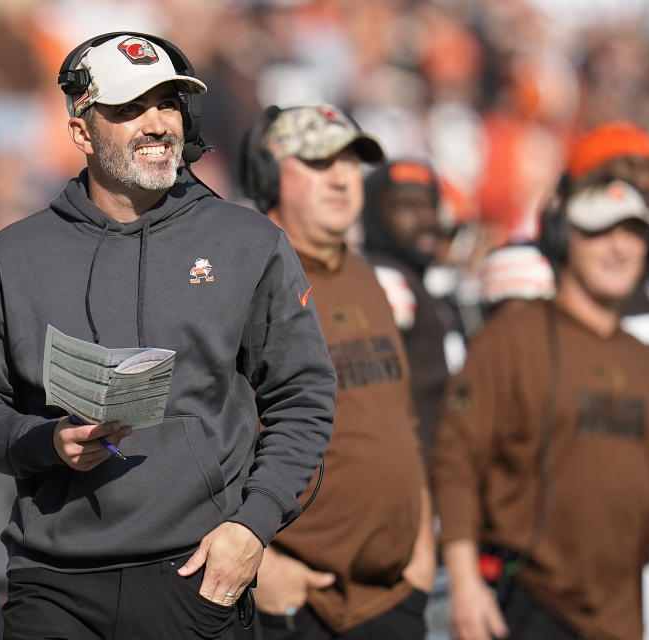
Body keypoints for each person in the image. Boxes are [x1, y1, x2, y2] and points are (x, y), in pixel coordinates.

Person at [0, 32, 336, 640]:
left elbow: (304, 397)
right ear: (81, 130)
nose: (157, 123)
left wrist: (253, 526)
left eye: (169, 103)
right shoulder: (14, 255)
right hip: (53, 584)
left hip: (197, 572)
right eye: (129, 109)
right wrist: (44, 441)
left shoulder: (247, 242)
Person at [431, 178, 649, 640]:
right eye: (598, 232)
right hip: (526, 606)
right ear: (562, 239)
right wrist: (464, 581)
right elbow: (456, 459)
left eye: (632, 233)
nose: (618, 248)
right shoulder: (511, 339)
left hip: (621, 617)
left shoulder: (640, 359)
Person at [236, 104, 435, 638]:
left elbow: (401, 420)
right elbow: (198, 442)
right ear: (269, 174)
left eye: (353, 161)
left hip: (394, 596)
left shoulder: (369, 276)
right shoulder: (244, 279)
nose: (344, 178)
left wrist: (421, 552)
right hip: (298, 605)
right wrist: (262, 568)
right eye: (321, 162)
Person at [557, 121, 649, 640]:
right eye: (622, 169)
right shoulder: (563, 272)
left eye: (648, 168)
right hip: (622, 537)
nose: (641, 181)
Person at [360, 160, 466, 462]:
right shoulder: (384, 281)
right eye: (407, 206)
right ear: (373, 215)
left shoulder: (429, 285)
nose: (427, 219)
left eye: (431, 205)